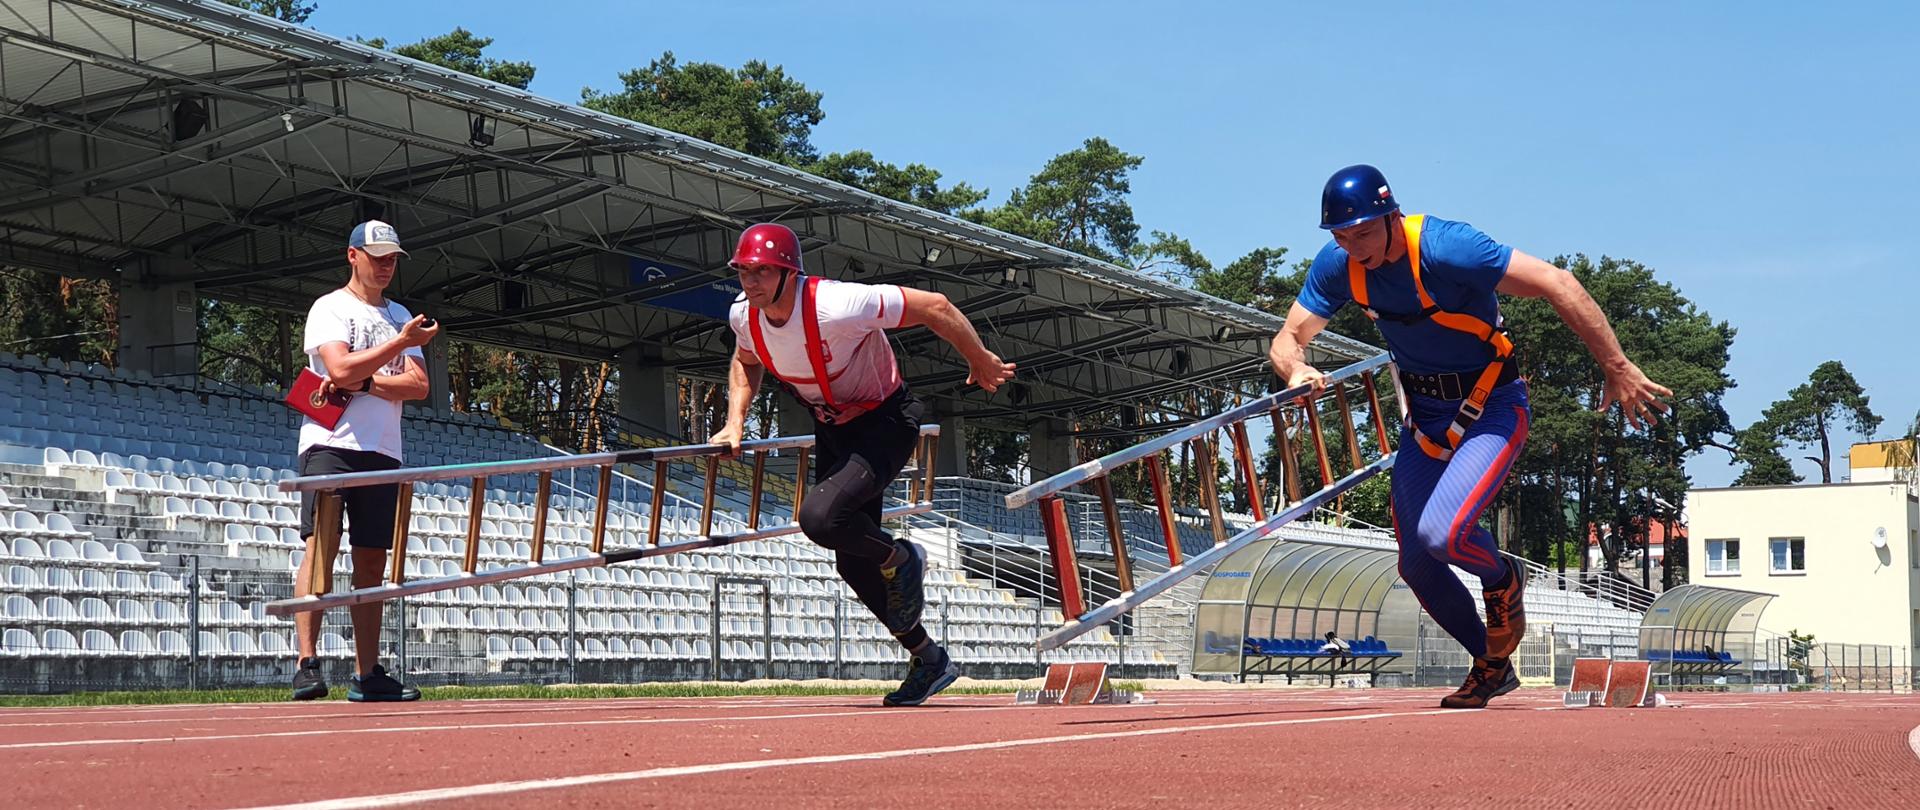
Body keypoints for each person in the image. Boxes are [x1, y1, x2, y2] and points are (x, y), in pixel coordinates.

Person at [1268, 165, 1671, 709]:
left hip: (1491, 408)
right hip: (1426, 421)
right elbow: (1288, 339)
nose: (1353, 247)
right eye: (1341, 236)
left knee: (1444, 533)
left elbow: (1559, 283)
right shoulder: (1339, 266)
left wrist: (1616, 366)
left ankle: (1505, 577)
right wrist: (1294, 369)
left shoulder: (1448, 248)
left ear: (1392, 215)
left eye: (1362, 232)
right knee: (1416, 564)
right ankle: (1491, 664)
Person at [709, 222, 1016, 707]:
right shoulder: (744, 317)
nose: (751, 282)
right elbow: (746, 361)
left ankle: (902, 556)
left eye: (763, 272)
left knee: (820, 518)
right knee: (852, 564)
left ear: (790, 272)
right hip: (834, 430)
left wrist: (979, 360)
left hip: (887, 421)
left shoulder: (838, 304)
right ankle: (930, 659)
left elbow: (935, 306)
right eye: (744, 271)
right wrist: (735, 422)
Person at [290, 220, 440, 702]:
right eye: (377, 256)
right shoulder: (330, 307)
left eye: (392, 257)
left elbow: (418, 386)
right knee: (322, 549)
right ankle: (307, 661)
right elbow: (338, 368)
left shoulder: (400, 313)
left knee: (372, 560)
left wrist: (369, 382)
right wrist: (396, 345)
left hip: (383, 449)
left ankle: (368, 671)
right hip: (331, 445)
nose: (386, 264)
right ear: (352, 255)